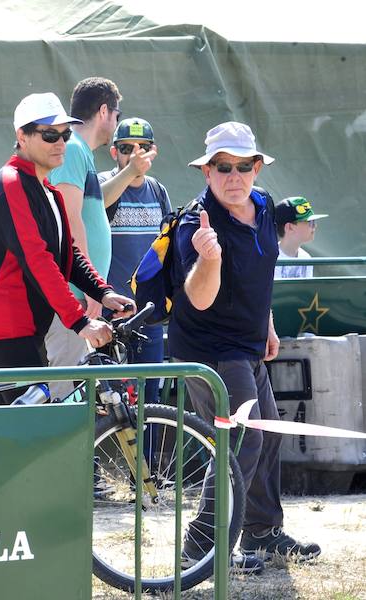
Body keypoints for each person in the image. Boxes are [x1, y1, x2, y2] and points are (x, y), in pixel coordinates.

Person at [173, 121, 320, 571]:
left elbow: (261, 272)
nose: (234, 176)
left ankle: (261, 532)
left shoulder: (263, 203)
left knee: (267, 434)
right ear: (207, 171)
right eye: (223, 166)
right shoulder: (194, 223)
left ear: (257, 168)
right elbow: (198, 298)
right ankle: (202, 548)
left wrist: (267, 324)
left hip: (249, 345)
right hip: (211, 351)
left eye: (244, 165)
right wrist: (209, 258)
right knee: (242, 439)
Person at [0, 92, 135, 405]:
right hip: (6, 333)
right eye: (49, 135)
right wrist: (80, 321)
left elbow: (66, 254)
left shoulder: (46, 189)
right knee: (25, 429)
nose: (60, 143)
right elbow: (39, 260)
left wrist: (103, 292)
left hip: (28, 328)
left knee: (33, 423)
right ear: (22, 137)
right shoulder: (11, 182)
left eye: (65, 134)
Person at [45, 78, 155, 399]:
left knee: (78, 396)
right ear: (104, 111)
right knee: (66, 396)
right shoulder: (73, 148)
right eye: (117, 115)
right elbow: (69, 220)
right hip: (73, 297)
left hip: (77, 296)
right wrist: (93, 287)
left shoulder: (79, 151)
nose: (117, 121)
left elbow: (89, 208)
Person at [99, 117, 171, 402]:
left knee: (150, 399)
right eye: (127, 148)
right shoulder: (102, 182)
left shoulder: (157, 190)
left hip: (146, 312)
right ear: (113, 152)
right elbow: (98, 203)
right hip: (108, 311)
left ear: (154, 151)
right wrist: (130, 172)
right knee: (109, 400)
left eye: (143, 147)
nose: (135, 155)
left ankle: (149, 437)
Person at [274, 196, 327, 279]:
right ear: (290, 227)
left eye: (314, 222)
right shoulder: (270, 258)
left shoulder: (306, 258)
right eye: (310, 222)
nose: (315, 226)